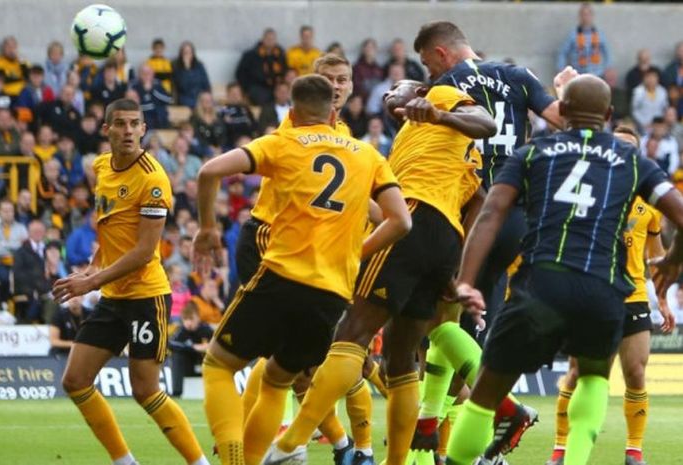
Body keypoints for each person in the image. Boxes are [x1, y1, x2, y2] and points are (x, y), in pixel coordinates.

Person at [445, 74, 683, 465]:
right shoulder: (632, 161)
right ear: (608, 115)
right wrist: (674, 260)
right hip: (601, 290)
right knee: (592, 377)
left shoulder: (532, 154)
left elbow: (490, 213)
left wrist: (467, 280)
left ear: (563, 111)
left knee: (485, 395)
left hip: (540, 287)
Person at [267, 73, 495, 465]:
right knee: (402, 357)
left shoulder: (441, 99)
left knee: (352, 333)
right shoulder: (436, 145)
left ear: (422, 90)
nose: (392, 96)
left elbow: (486, 123)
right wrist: (455, 262)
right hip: (442, 238)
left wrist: (439, 111)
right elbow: (480, 200)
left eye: (399, 88)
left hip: (414, 217)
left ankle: (290, 446)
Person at [193, 73, 410, 465]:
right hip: (331, 295)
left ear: (291, 112)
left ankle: (233, 460)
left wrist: (208, 229)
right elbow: (399, 221)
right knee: (278, 380)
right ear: (333, 113)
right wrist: (356, 251)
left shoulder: (283, 141)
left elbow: (209, 171)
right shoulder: (368, 155)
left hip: (281, 277)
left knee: (218, 365)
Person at [408, 20, 573, 461]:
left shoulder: (448, 84)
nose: (427, 69)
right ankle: (476, 446)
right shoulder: (518, 76)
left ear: (441, 54)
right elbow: (562, 118)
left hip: (470, 213)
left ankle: (443, 432)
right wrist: (568, 88)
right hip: (516, 218)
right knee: (477, 328)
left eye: (426, 61)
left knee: (433, 319)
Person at [52, 98, 209, 465]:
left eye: (134, 124)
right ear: (106, 129)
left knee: (145, 390)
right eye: (119, 124)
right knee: (75, 380)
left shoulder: (153, 179)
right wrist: (91, 269)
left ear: (143, 129)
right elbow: (110, 229)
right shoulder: (102, 166)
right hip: (113, 295)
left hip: (146, 296)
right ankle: (125, 462)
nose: (127, 131)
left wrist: (90, 285)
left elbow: (143, 251)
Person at [545, 126, 678, 465]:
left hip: (632, 295)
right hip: (591, 292)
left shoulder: (650, 203)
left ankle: (634, 450)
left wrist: (662, 299)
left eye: (631, 148)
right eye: (619, 146)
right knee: (580, 372)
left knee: (635, 371)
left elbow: (655, 257)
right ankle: (561, 448)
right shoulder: (587, 189)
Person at [0, 199, 27, 306]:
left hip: (17, 265)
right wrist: (15, 244)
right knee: (3, 276)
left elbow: (24, 248)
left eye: (10, 210)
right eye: (5, 210)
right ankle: (2, 304)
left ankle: (19, 313)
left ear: (14, 212)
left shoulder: (21, 228)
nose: (8, 213)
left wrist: (3, 244)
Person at [168, 301, 213, 398]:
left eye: (191, 319)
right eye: (185, 319)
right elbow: (170, 344)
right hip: (188, 364)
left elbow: (216, 344)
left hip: (205, 363)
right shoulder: (181, 331)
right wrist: (191, 347)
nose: (188, 322)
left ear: (198, 317)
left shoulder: (206, 330)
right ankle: (176, 393)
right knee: (177, 355)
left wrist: (206, 347)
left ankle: (216, 392)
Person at [236, 28, 288, 105]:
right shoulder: (250, 55)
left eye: (272, 39)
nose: (270, 41)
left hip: (276, 85)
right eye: (268, 39)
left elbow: (285, 71)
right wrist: (246, 89)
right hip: (258, 86)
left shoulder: (281, 55)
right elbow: (240, 73)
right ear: (263, 39)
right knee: (263, 97)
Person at [556, 2, 609, 77]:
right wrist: (561, 69)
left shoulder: (599, 34)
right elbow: (562, 52)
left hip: (597, 74)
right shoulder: (573, 35)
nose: (586, 17)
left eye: (588, 14)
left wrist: (607, 68)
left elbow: (607, 52)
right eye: (583, 14)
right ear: (579, 16)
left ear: (592, 16)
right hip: (578, 75)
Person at [132, 63, 171, 130]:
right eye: (143, 73)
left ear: (153, 74)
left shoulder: (158, 84)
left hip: (159, 118)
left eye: (148, 73)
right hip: (144, 118)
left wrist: (152, 90)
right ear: (139, 75)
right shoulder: (134, 86)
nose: (146, 75)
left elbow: (168, 99)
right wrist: (152, 105)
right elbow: (134, 105)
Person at [173, 41, 211, 109]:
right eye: (185, 53)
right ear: (181, 54)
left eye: (189, 52)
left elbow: (206, 84)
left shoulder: (199, 65)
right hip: (186, 99)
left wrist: (206, 96)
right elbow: (183, 87)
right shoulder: (177, 67)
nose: (187, 55)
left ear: (193, 53)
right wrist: (186, 69)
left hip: (201, 97)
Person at [191, 91, 226, 155]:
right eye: (205, 100)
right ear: (200, 102)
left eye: (210, 100)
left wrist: (219, 147)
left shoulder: (218, 117)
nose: (208, 102)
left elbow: (223, 134)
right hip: (202, 147)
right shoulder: (195, 118)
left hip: (218, 148)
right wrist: (209, 147)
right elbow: (196, 136)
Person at [352, 38, 384, 104]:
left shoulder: (379, 69)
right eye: (367, 47)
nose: (369, 50)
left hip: (376, 103)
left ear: (376, 50)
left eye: (372, 48)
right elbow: (356, 88)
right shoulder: (357, 68)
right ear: (363, 50)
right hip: (361, 103)